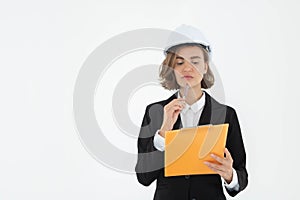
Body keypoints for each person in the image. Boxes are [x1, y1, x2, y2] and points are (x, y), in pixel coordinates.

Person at [135, 25, 248, 200]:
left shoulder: (226, 115)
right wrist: (164, 131)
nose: (187, 68)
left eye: (195, 62)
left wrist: (229, 175)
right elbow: (144, 177)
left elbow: (241, 179)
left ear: (205, 67)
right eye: (179, 63)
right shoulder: (155, 112)